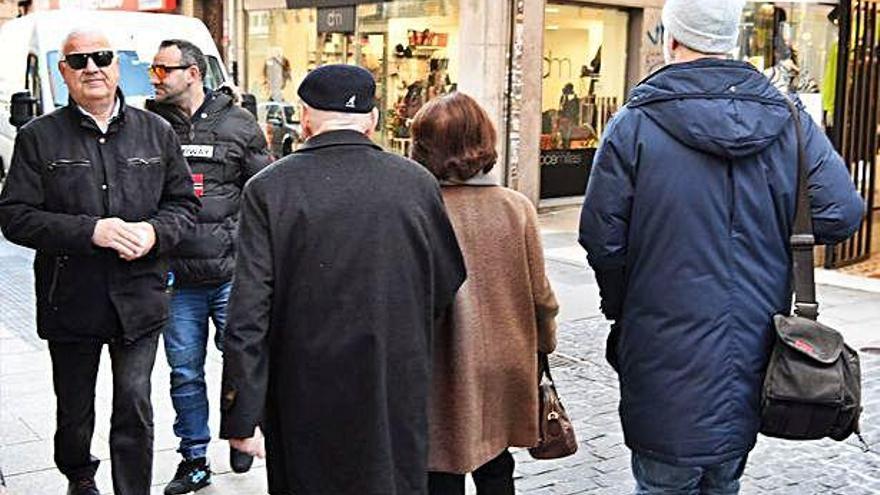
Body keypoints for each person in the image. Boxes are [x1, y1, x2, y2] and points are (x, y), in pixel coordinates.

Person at [578, 1, 865, 494]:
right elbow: (842, 212)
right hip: (753, 345)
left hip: (658, 343)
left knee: (663, 481)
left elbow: (601, 238)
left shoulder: (634, 124)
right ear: (730, 43)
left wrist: (623, 302)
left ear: (670, 40)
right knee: (724, 475)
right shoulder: (789, 120)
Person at [219, 64, 466, 495]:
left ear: (305, 117)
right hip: (393, 381)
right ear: (371, 120)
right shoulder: (416, 183)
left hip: (302, 388)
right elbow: (445, 283)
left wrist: (241, 415)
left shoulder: (269, 189)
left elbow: (248, 313)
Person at [0, 29, 200, 495]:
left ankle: (133, 488)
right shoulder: (38, 137)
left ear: (116, 66)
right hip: (71, 299)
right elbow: (15, 217)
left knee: (134, 403)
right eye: (80, 59)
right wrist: (91, 231)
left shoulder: (158, 132)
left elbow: (184, 205)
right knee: (74, 410)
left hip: (140, 297)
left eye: (102, 57)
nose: (92, 67)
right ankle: (79, 475)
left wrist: (153, 233)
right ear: (64, 71)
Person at [410, 92, 559, 495]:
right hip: (504, 359)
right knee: (496, 463)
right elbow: (541, 296)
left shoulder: (417, 209)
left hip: (440, 363)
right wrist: (543, 345)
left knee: (440, 466)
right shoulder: (516, 207)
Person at [145, 39, 271, 495]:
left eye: (163, 70)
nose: (155, 78)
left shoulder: (240, 124)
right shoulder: (149, 126)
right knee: (184, 372)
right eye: (153, 70)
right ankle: (193, 460)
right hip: (176, 278)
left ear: (193, 73)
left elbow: (264, 194)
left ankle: (242, 429)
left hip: (232, 275)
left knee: (244, 361)